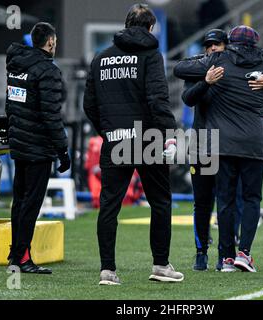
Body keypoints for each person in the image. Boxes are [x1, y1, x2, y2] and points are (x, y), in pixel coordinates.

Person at [83, 3, 184, 285]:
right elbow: (157, 99)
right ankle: (161, 266)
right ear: (151, 28)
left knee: (109, 206)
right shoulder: (152, 55)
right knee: (160, 203)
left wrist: (106, 131)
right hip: (148, 139)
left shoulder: (101, 57)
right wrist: (170, 134)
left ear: (127, 25)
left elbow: (88, 103)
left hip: (115, 140)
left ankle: (107, 271)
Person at [175, 25, 263, 272]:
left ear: (228, 45)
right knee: (205, 201)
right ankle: (204, 252)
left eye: (216, 45)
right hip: (206, 142)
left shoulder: (222, 63)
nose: (212, 48)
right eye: (207, 46)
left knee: (230, 200)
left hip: (221, 142)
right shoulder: (211, 64)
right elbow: (187, 93)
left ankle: (226, 254)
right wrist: (206, 80)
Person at [5, 22, 70, 274]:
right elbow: (51, 115)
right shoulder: (47, 71)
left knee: (19, 200)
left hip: (19, 143)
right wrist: (62, 150)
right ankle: (22, 258)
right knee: (31, 202)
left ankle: (16, 252)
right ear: (51, 42)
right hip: (38, 147)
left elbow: (13, 105)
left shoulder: (16, 66)